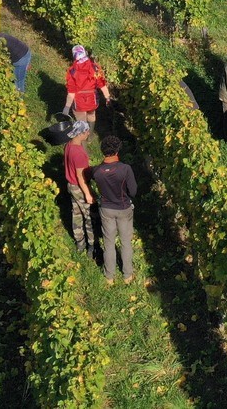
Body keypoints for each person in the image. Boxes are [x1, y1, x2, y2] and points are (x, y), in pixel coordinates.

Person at [94, 135, 137, 284]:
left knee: (108, 243)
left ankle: (109, 276)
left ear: (102, 151)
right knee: (125, 242)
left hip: (106, 209)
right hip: (124, 209)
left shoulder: (97, 171)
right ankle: (127, 275)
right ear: (118, 150)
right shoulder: (125, 169)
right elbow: (133, 191)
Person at [63, 119, 95, 259]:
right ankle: (92, 245)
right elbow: (80, 177)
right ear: (81, 133)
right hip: (79, 187)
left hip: (70, 184)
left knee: (76, 213)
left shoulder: (69, 145)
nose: (88, 133)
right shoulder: (79, 154)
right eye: (86, 131)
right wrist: (88, 194)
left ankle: (79, 242)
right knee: (88, 216)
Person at [63, 45, 111, 127]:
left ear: (74, 56)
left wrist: (67, 106)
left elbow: (71, 92)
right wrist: (107, 98)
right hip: (92, 100)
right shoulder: (95, 68)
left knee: (81, 120)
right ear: (85, 53)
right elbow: (102, 85)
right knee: (91, 115)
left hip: (79, 103)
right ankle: (91, 134)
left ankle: (83, 136)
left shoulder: (72, 71)